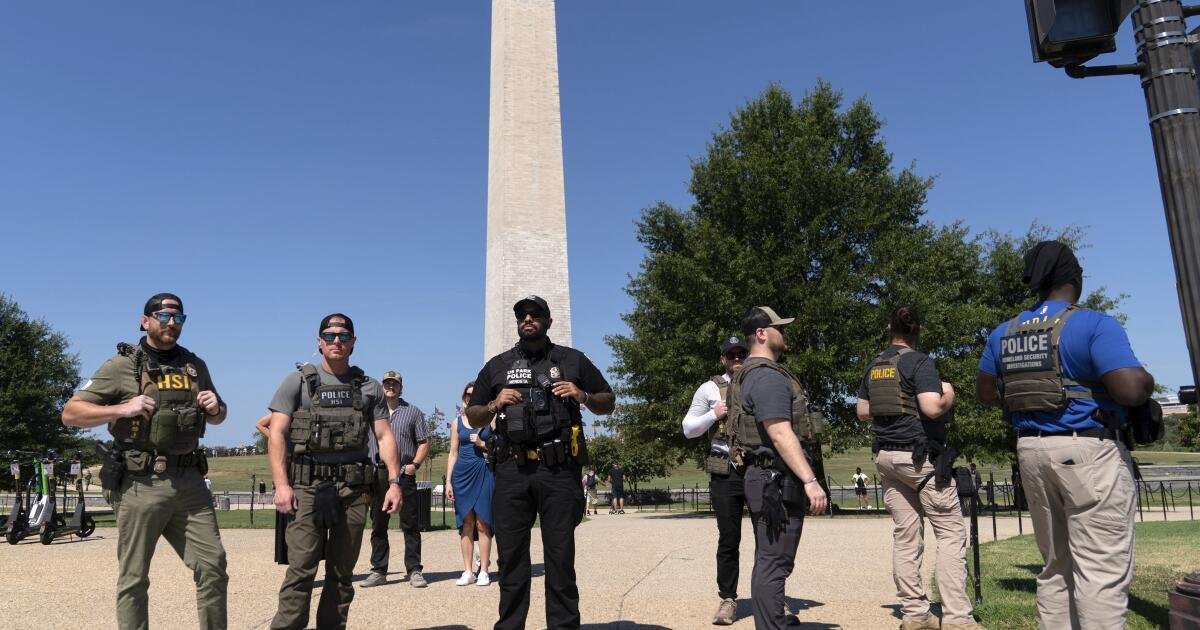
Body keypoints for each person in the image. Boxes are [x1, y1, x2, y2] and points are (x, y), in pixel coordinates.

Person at [976, 241, 1153, 629]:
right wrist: (1148, 382)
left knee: (1056, 565)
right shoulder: (1094, 324)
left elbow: (986, 393)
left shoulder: (1004, 333)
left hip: (1031, 452)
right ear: (1076, 278)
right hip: (1088, 451)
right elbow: (1129, 390)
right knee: (1100, 570)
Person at [61, 292, 229, 630]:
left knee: (213, 567)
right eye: (163, 316)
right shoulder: (121, 365)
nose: (171, 323)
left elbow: (218, 416)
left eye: (178, 318)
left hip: (190, 482)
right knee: (135, 577)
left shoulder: (195, 366)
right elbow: (71, 413)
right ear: (145, 321)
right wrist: (122, 408)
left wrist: (216, 408)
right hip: (140, 482)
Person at [465, 294, 615, 630]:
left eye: (535, 314)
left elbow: (608, 401)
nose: (528, 319)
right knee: (511, 559)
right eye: (522, 315)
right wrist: (494, 404)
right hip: (512, 471)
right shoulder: (498, 365)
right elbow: (473, 416)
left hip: (558, 470)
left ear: (548, 321)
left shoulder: (572, 360)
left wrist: (582, 395)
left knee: (560, 559)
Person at [266, 313, 403, 630]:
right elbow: (276, 434)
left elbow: (384, 436)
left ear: (353, 342)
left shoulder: (369, 387)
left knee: (342, 573)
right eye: (329, 335)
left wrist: (395, 482)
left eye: (343, 336)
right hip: (307, 486)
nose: (336, 341)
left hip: (353, 488)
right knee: (301, 569)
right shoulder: (297, 382)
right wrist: (282, 485)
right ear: (319, 342)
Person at [855, 305, 978, 630]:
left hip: (887, 459)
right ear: (918, 329)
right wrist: (949, 393)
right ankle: (958, 619)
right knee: (950, 534)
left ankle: (915, 615)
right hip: (920, 459)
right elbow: (932, 408)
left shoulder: (874, 366)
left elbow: (863, 411)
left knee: (906, 538)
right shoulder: (920, 362)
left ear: (889, 327)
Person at [724, 306, 827, 630]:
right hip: (776, 479)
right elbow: (780, 433)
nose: (784, 333)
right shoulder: (767, 377)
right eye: (779, 328)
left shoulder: (749, 374)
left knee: (769, 560)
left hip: (766, 476)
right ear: (761, 334)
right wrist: (810, 480)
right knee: (774, 563)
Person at [681, 334, 750, 625]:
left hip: (759, 468)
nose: (736, 359)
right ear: (723, 359)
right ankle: (728, 599)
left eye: (741, 354)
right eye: (731, 355)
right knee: (729, 538)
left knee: (769, 535)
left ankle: (771, 597)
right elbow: (688, 429)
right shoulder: (709, 388)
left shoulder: (760, 382)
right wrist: (713, 413)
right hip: (725, 473)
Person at [360, 369, 430, 588]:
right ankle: (379, 570)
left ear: (401, 387)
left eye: (395, 384)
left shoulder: (413, 412)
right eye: (387, 383)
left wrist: (414, 465)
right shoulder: (371, 412)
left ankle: (414, 570)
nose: (390, 387)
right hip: (377, 474)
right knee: (378, 525)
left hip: (402, 474)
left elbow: (424, 441)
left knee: (410, 524)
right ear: (382, 387)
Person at [448, 381, 496, 586]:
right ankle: (467, 571)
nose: (470, 397)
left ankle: (484, 570)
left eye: (474, 394)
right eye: (468, 395)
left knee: (482, 523)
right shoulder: (457, 422)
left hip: (484, 472)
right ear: (464, 398)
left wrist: (482, 443)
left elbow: (499, 447)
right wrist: (448, 481)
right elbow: (453, 452)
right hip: (462, 475)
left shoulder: (492, 419)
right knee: (466, 523)